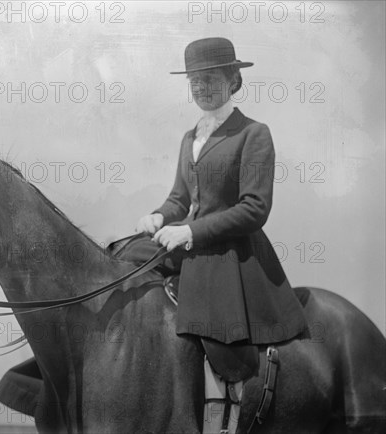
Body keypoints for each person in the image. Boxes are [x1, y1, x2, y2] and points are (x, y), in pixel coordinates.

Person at [115, 37, 307, 346]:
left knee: (212, 330)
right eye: (195, 81)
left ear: (233, 80)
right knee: (122, 255)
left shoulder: (253, 133)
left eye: (210, 79)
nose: (202, 87)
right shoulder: (189, 137)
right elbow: (179, 200)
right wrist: (157, 216)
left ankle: (225, 388)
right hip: (189, 240)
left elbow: (254, 208)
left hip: (230, 249)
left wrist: (189, 232)